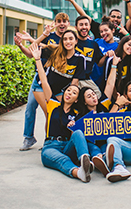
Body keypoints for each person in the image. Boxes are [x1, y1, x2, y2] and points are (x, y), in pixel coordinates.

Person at [29, 42, 92, 182]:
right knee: (61, 160)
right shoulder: (52, 105)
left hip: (68, 146)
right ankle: (79, 172)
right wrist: (38, 59)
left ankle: (84, 159)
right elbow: (44, 82)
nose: (70, 93)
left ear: (77, 99)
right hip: (51, 146)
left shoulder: (77, 112)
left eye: (74, 92)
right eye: (68, 90)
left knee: (78, 133)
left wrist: (73, 127)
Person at [14, 13, 71, 151]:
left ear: (68, 23)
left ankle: (49, 139)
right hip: (40, 78)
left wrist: (32, 38)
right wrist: (22, 45)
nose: (61, 24)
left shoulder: (68, 39)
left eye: (64, 21)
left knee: (50, 112)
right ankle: (29, 138)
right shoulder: (48, 35)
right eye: (58, 21)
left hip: (55, 80)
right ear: (55, 22)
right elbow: (31, 52)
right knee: (30, 108)